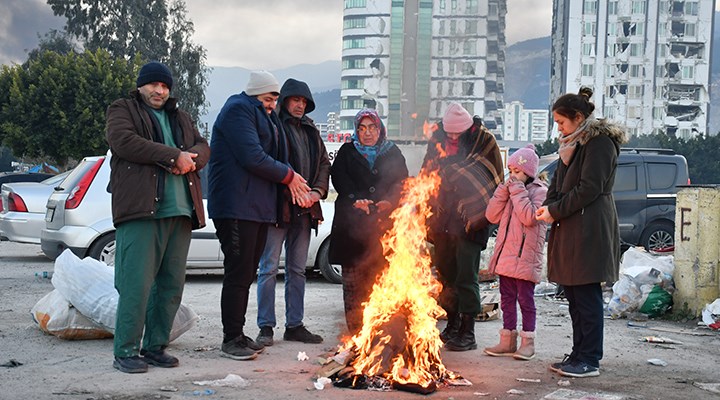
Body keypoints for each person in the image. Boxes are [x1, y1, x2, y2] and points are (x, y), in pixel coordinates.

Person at [105, 61, 210, 373]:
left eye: (165, 86)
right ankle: (125, 350)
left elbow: (204, 146)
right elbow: (122, 141)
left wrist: (192, 160)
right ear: (141, 86)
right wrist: (171, 156)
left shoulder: (181, 117)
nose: (160, 91)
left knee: (170, 285)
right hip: (141, 211)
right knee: (135, 284)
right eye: (154, 85)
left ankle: (154, 347)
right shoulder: (123, 109)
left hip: (181, 212)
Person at [208, 71, 311, 361]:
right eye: (268, 99)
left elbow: (278, 154)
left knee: (247, 271)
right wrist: (288, 176)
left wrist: (295, 181)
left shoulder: (264, 115)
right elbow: (252, 156)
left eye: (274, 99)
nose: (272, 104)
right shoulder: (237, 110)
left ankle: (239, 334)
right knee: (238, 271)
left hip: (257, 207)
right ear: (255, 94)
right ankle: (231, 338)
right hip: (236, 205)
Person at [536, 87, 627, 378]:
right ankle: (577, 353)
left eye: (562, 122)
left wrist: (555, 210)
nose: (559, 128)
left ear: (578, 117)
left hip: (590, 228)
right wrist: (549, 206)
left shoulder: (599, 142)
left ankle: (589, 358)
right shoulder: (571, 143)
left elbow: (590, 188)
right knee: (573, 294)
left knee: (586, 294)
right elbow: (557, 182)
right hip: (571, 226)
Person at [255, 79, 330, 346]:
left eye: (303, 101)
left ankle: (294, 325)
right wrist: (291, 188)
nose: (299, 105)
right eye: (295, 100)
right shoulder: (271, 125)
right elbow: (265, 161)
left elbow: (323, 163)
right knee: (268, 268)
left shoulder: (311, 130)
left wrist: (316, 193)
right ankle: (265, 327)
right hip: (277, 207)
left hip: (306, 209)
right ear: (285, 100)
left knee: (298, 269)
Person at [423, 102, 503, 352]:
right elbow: (428, 172)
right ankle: (453, 324)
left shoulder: (484, 140)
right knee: (446, 275)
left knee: (466, 276)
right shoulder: (437, 140)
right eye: (450, 133)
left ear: (468, 127)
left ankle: (468, 332)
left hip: (471, 218)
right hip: (443, 218)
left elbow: (491, 177)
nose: (454, 137)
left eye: (458, 133)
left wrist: (450, 173)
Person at [328, 108, 408, 334]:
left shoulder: (392, 153)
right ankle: (355, 334)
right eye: (362, 128)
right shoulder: (347, 151)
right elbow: (339, 179)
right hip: (351, 228)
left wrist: (390, 202)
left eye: (372, 127)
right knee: (353, 285)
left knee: (380, 281)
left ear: (379, 129)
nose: (367, 133)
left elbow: (401, 182)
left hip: (383, 228)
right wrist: (355, 199)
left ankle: (379, 333)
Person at [483, 144, 548, 360]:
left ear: (529, 172)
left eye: (517, 172)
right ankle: (507, 341)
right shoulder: (510, 191)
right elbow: (492, 216)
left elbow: (529, 217)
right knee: (507, 299)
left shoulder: (540, 192)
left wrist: (517, 190)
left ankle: (528, 342)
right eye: (510, 172)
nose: (513, 176)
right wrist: (502, 191)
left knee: (526, 301)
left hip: (525, 258)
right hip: (507, 256)